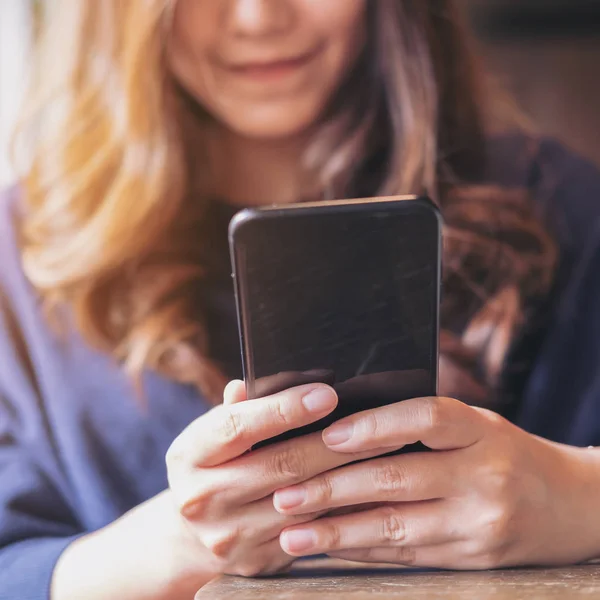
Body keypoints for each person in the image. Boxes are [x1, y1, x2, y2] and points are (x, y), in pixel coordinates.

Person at [1, 0, 600, 598]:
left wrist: (579, 496)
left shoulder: (563, 212)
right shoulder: (17, 258)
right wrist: (174, 547)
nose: (259, 17)